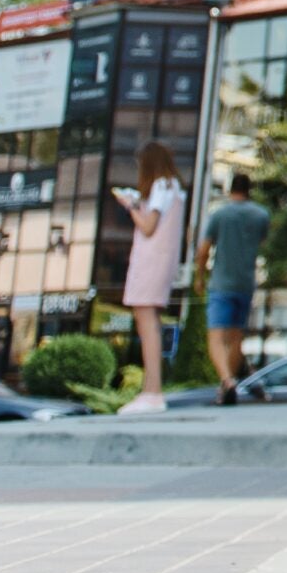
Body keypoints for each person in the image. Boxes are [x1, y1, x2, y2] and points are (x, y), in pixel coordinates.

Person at [114, 142, 185, 416]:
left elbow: (148, 226)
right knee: (149, 322)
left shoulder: (160, 186)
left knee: (147, 324)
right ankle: (152, 389)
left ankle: (152, 391)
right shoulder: (174, 188)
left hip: (151, 260)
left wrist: (131, 206)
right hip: (163, 260)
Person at [193, 171, 272, 405]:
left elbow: (204, 249)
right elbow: (263, 243)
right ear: (250, 190)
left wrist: (200, 275)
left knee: (217, 336)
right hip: (245, 282)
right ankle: (230, 381)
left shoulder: (220, 215)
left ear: (230, 189)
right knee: (237, 336)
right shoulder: (261, 215)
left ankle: (227, 380)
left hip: (221, 282)